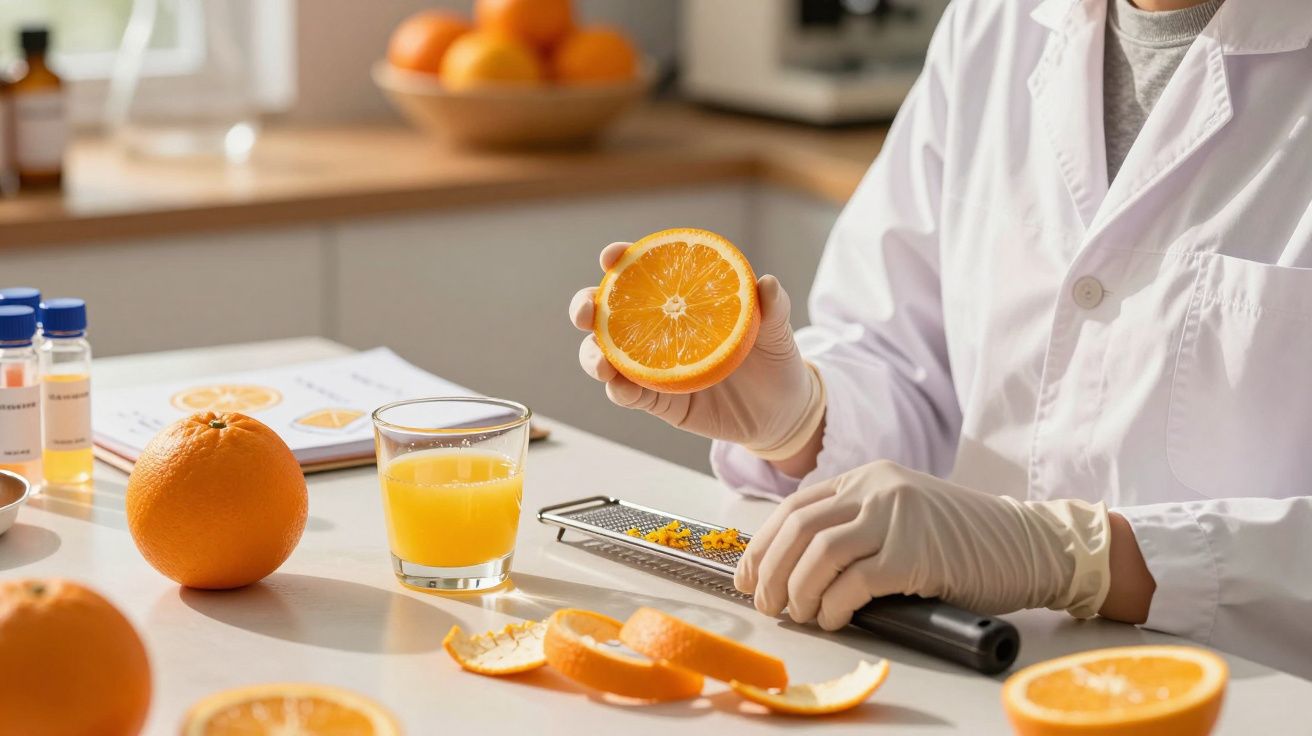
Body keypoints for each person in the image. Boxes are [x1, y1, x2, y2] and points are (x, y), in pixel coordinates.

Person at [569, 0, 1312, 678]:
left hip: (1243, 697)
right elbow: (904, 355)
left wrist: (1077, 557)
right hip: (971, 673)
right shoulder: (995, 24)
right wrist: (801, 421)